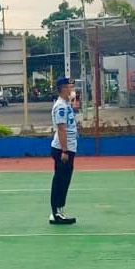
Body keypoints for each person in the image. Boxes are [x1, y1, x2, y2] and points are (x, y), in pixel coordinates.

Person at [49, 76, 78, 225]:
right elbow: (61, 129)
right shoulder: (60, 106)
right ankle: (56, 213)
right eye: (68, 86)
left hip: (68, 147)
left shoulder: (66, 104)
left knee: (64, 180)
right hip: (62, 149)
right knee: (60, 181)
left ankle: (59, 210)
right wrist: (65, 151)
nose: (71, 89)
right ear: (62, 89)